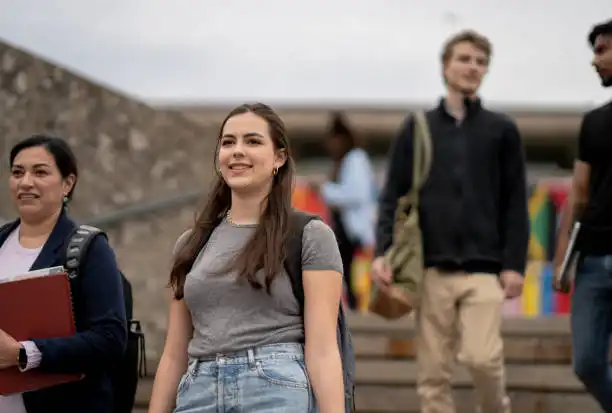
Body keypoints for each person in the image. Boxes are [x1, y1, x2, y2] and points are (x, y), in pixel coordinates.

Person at [148, 102, 345, 413]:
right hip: (198, 390)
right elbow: (174, 353)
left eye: (252, 141)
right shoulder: (191, 243)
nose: (237, 151)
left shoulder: (310, 235)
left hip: (275, 387)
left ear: (279, 157)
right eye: (228, 142)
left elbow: (323, 351)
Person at [371, 30, 529, 413]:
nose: (472, 67)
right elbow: (393, 194)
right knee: (433, 374)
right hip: (430, 269)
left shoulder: (501, 129)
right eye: (464, 59)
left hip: (485, 269)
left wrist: (513, 265)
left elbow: (515, 203)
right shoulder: (418, 127)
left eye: (480, 61)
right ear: (445, 66)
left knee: (482, 358)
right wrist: (382, 252)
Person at [0, 135, 127, 413]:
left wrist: (24, 353)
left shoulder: (89, 248)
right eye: (17, 172)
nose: (26, 182)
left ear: (67, 183)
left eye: (40, 172)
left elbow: (110, 338)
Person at [553, 19, 612, 412]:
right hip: (592, 257)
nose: (595, 60)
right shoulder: (594, 122)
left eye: (603, 49)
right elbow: (578, 192)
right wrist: (562, 258)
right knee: (587, 362)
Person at [310, 112, 377, 310]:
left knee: (356, 272)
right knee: (345, 271)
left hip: (354, 232)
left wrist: (325, 189)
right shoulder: (345, 161)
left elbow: (356, 194)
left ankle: (359, 306)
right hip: (344, 229)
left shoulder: (355, 159)